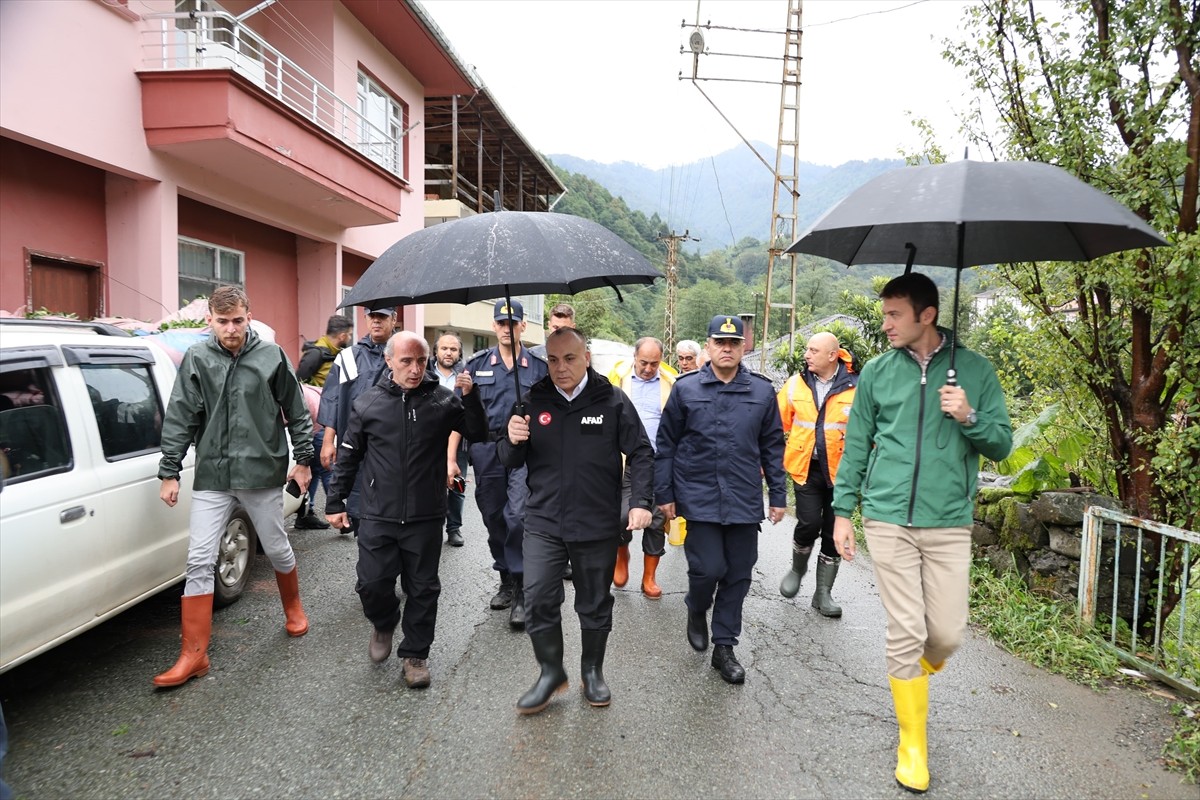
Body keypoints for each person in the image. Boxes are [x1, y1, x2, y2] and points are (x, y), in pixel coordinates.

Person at [831, 272, 1012, 793]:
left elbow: (1001, 444)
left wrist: (969, 415)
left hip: (948, 520)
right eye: (884, 313)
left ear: (926, 315)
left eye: (894, 315)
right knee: (905, 631)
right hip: (888, 518)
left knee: (948, 635)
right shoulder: (877, 373)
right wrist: (845, 512)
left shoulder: (975, 371)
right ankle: (913, 743)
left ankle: (916, 670)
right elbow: (858, 445)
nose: (885, 323)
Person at [154, 285, 315, 688]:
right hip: (213, 474)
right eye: (222, 321)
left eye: (237, 320)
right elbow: (180, 415)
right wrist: (169, 470)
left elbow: (296, 411)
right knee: (198, 559)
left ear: (249, 317)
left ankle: (293, 607)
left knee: (276, 546)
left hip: (261, 474)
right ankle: (194, 654)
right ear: (209, 320)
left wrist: (304, 462)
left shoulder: (271, 356)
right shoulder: (197, 358)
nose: (230, 329)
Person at [498, 327, 653, 714]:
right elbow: (509, 461)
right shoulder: (532, 400)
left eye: (569, 358)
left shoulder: (612, 401)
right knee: (537, 598)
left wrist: (640, 501)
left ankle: (592, 672)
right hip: (544, 521)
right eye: (552, 359)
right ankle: (551, 672)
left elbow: (642, 452)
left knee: (594, 602)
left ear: (586, 357)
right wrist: (512, 439)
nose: (560, 368)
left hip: (596, 524)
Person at [325, 332, 487, 689]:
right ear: (389, 361)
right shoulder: (368, 403)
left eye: (421, 361)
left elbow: (479, 432)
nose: (415, 370)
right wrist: (335, 502)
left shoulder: (443, 401)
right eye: (406, 361)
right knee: (371, 583)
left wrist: (471, 397)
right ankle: (384, 621)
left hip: (425, 514)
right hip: (377, 512)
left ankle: (415, 655)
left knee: (423, 588)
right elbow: (349, 454)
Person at [655, 315, 787, 685]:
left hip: (743, 498)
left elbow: (772, 447)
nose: (726, 349)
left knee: (739, 574)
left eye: (734, 343)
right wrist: (665, 494)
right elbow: (665, 444)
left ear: (744, 347)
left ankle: (724, 647)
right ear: (708, 346)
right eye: (719, 342)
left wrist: (778, 495)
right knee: (708, 569)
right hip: (698, 496)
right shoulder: (686, 389)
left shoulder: (761, 391)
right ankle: (696, 607)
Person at [463, 299, 548, 629]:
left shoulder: (538, 367)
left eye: (513, 323)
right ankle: (506, 577)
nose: (506, 328)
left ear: (523, 326)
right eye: (501, 323)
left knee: (518, 515)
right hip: (487, 448)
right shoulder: (476, 365)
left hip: (525, 449)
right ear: (494, 326)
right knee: (493, 515)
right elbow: (463, 416)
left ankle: (524, 587)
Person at [777, 331, 858, 616]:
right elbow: (776, 423)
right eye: (807, 349)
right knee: (809, 523)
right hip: (806, 468)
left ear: (832, 355)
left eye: (813, 350)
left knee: (832, 531)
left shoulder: (856, 386)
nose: (807, 355)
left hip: (842, 473)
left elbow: (869, 433)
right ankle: (797, 570)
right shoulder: (795, 384)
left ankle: (823, 593)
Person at [317, 306, 396, 534]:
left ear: (394, 319)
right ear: (365, 318)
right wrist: (328, 441)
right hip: (356, 446)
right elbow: (332, 399)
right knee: (360, 507)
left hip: (392, 446)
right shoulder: (348, 356)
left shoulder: (404, 354)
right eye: (372, 316)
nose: (376, 322)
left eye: (382, 317)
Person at [607, 336, 675, 598]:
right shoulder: (617, 381)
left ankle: (649, 577)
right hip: (626, 462)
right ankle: (621, 556)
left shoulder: (671, 384)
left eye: (654, 363)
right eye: (644, 362)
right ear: (634, 357)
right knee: (622, 515)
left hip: (659, 462)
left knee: (656, 520)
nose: (648, 368)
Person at [294, 314, 353, 530]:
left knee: (317, 469)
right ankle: (339, 514)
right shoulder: (317, 353)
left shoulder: (335, 354)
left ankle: (304, 512)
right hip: (314, 420)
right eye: (350, 334)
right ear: (343, 335)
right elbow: (296, 382)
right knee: (328, 466)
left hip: (324, 417)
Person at [430, 332, 470, 547]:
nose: (448, 352)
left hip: (459, 440)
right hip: (428, 440)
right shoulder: (425, 372)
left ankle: (454, 528)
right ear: (436, 350)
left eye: (453, 349)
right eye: (444, 348)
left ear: (459, 352)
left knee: (457, 485)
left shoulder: (465, 374)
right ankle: (431, 527)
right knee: (429, 484)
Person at [296, 314, 354, 386]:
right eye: (350, 334)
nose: (350, 338)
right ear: (342, 336)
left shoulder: (339, 353)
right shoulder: (315, 354)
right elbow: (298, 384)